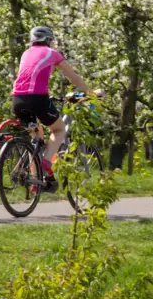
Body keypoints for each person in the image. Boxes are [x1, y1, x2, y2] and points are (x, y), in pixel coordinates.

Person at [12, 25, 99, 192]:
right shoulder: (52, 53)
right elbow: (74, 78)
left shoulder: (26, 53)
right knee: (59, 129)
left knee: (36, 138)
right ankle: (46, 161)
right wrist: (91, 93)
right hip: (37, 98)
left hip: (17, 100)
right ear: (48, 40)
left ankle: (36, 183)